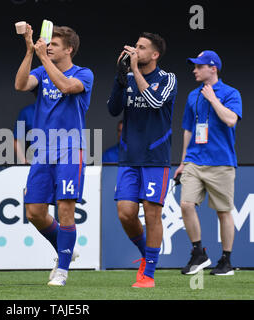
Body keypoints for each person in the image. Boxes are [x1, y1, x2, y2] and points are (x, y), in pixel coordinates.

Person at [15, 24, 94, 286]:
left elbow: (66, 87)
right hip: (43, 151)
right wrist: (29, 52)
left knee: (65, 209)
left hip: (70, 150)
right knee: (35, 212)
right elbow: (21, 85)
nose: (49, 47)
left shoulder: (84, 73)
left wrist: (43, 59)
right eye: (49, 45)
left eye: (55, 45)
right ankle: (65, 251)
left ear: (69, 49)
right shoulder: (41, 68)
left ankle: (62, 270)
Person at [107, 32, 177, 288]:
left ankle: (148, 274)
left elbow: (156, 101)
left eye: (141, 47)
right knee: (125, 213)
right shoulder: (126, 77)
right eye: (135, 46)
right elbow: (113, 109)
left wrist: (134, 71)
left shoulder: (168, 79)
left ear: (155, 54)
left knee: (152, 214)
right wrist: (119, 75)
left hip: (155, 158)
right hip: (129, 156)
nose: (135, 50)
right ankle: (146, 255)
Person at [174, 50, 242, 276]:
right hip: (194, 160)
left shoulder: (231, 93)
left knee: (223, 212)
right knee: (186, 204)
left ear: (212, 68)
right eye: (194, 66)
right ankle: (198, 253)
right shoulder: (193, 95)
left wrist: (213, 99)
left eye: (198, 66)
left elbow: (231, 120)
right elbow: (187, 129)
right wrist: (183, 161)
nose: (194, 70)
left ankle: (226, 261)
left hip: (221, 162)